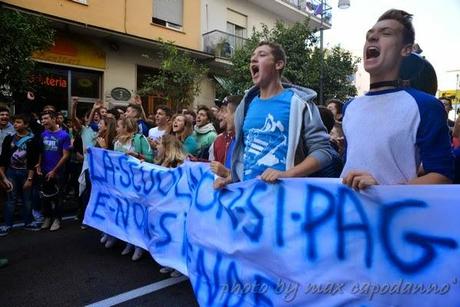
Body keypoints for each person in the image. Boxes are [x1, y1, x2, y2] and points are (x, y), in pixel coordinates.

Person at [341, 9, 453, 189]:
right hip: (346, 214)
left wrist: (383, 190)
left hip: (397, 216)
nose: (373, 37)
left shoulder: (426, 106)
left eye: (386, 33)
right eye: (369, 34)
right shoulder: (350, 107)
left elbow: (442, 176)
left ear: (406, 49)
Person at [230, 41, 334, 183]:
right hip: (249, 198)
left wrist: (287, 174)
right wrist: (231, 179)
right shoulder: (246, 105)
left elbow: (323, 152)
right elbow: (246, 156)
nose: (253, 59)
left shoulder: (300, 103)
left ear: (278, 64)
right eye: (252, 57)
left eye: (262, 55)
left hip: (284, 199)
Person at [0, 114, 40, 235]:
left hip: (26, 173)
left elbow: (33, 161)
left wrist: (30, 178)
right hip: (10, 173)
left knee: (27, 199)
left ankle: (28, 222)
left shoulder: (33, 139)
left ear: (26, 124)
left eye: (18, 122)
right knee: (10, 199)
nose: (15, 124)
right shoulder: (9, 138)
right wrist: (3, 177)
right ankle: (7, 225)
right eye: (15, 122)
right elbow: (3, 158)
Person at [154, 134, 186, 277]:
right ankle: (168, 262)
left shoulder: (180, 164)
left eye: (160, 143)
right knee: (165, 235)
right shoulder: (161, 162)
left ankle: (178, 266)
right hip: (165, 207)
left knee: (176, 237)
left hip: (178, 208)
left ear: (167, 147)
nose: (157, 146)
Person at [38, 111, 71, 231]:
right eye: (42, 119)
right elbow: (41, 151)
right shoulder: (43, 134)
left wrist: (54, 170)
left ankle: (57, 220)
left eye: (46, 118)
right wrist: (38, 165)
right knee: (45, 197)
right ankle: (47, 218)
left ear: (54, 119)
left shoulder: (64, 135)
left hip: (58, 172)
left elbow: (65, 155)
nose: (43, 121)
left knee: (58, 197)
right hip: (44, 170)